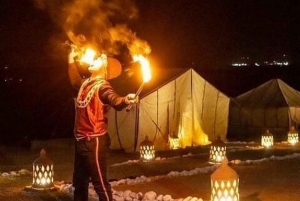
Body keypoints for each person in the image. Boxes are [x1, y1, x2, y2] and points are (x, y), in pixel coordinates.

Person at [68, 47, 138, 201]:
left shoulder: (103, 86)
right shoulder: (86, 83)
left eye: (100, 59)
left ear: (105, 69)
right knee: (79, 184)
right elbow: (74, 81)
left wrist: (125, 100)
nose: (95, 58)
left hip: (95, 142)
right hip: (80, 141)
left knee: (100, 185)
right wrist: (70, 60)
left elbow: (114, 99)